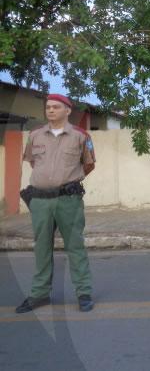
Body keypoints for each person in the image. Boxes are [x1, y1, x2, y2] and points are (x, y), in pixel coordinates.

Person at [16, 94, 96, 313]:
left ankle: (84, 293)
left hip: (68, 200)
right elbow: (34, 163)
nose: (50, 110)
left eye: (56, 107)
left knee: (75, 246)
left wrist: (66, 181)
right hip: (40, 200)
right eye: (48, 107)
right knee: (41, 247)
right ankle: (40, 294)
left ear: (67, 110)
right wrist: (48, 181)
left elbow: (89, 164)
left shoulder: (80, 136)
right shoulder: (35, 135)